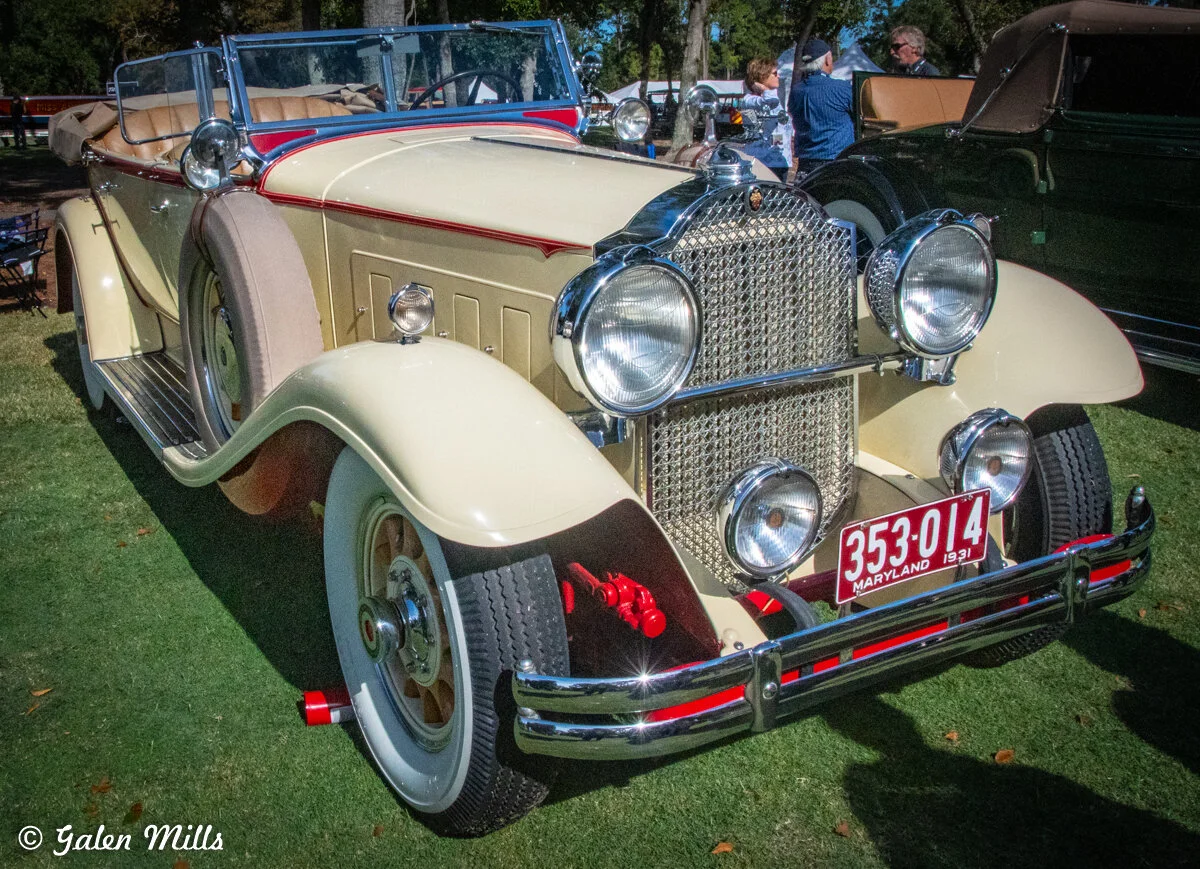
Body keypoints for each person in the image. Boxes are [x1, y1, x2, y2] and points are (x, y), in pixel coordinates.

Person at [787, 38, 854, 175]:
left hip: (806, 163)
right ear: (828, 59)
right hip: (836, 160)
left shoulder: (796, 91)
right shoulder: (842, 88)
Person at [739, 57, 793, 182]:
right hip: (762, 162)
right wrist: (764, 89)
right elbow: (770, 102)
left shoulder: (770, 99)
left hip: (779, 162)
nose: (778, 76)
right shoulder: (749, 101)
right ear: (762, 76)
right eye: (774, 74)